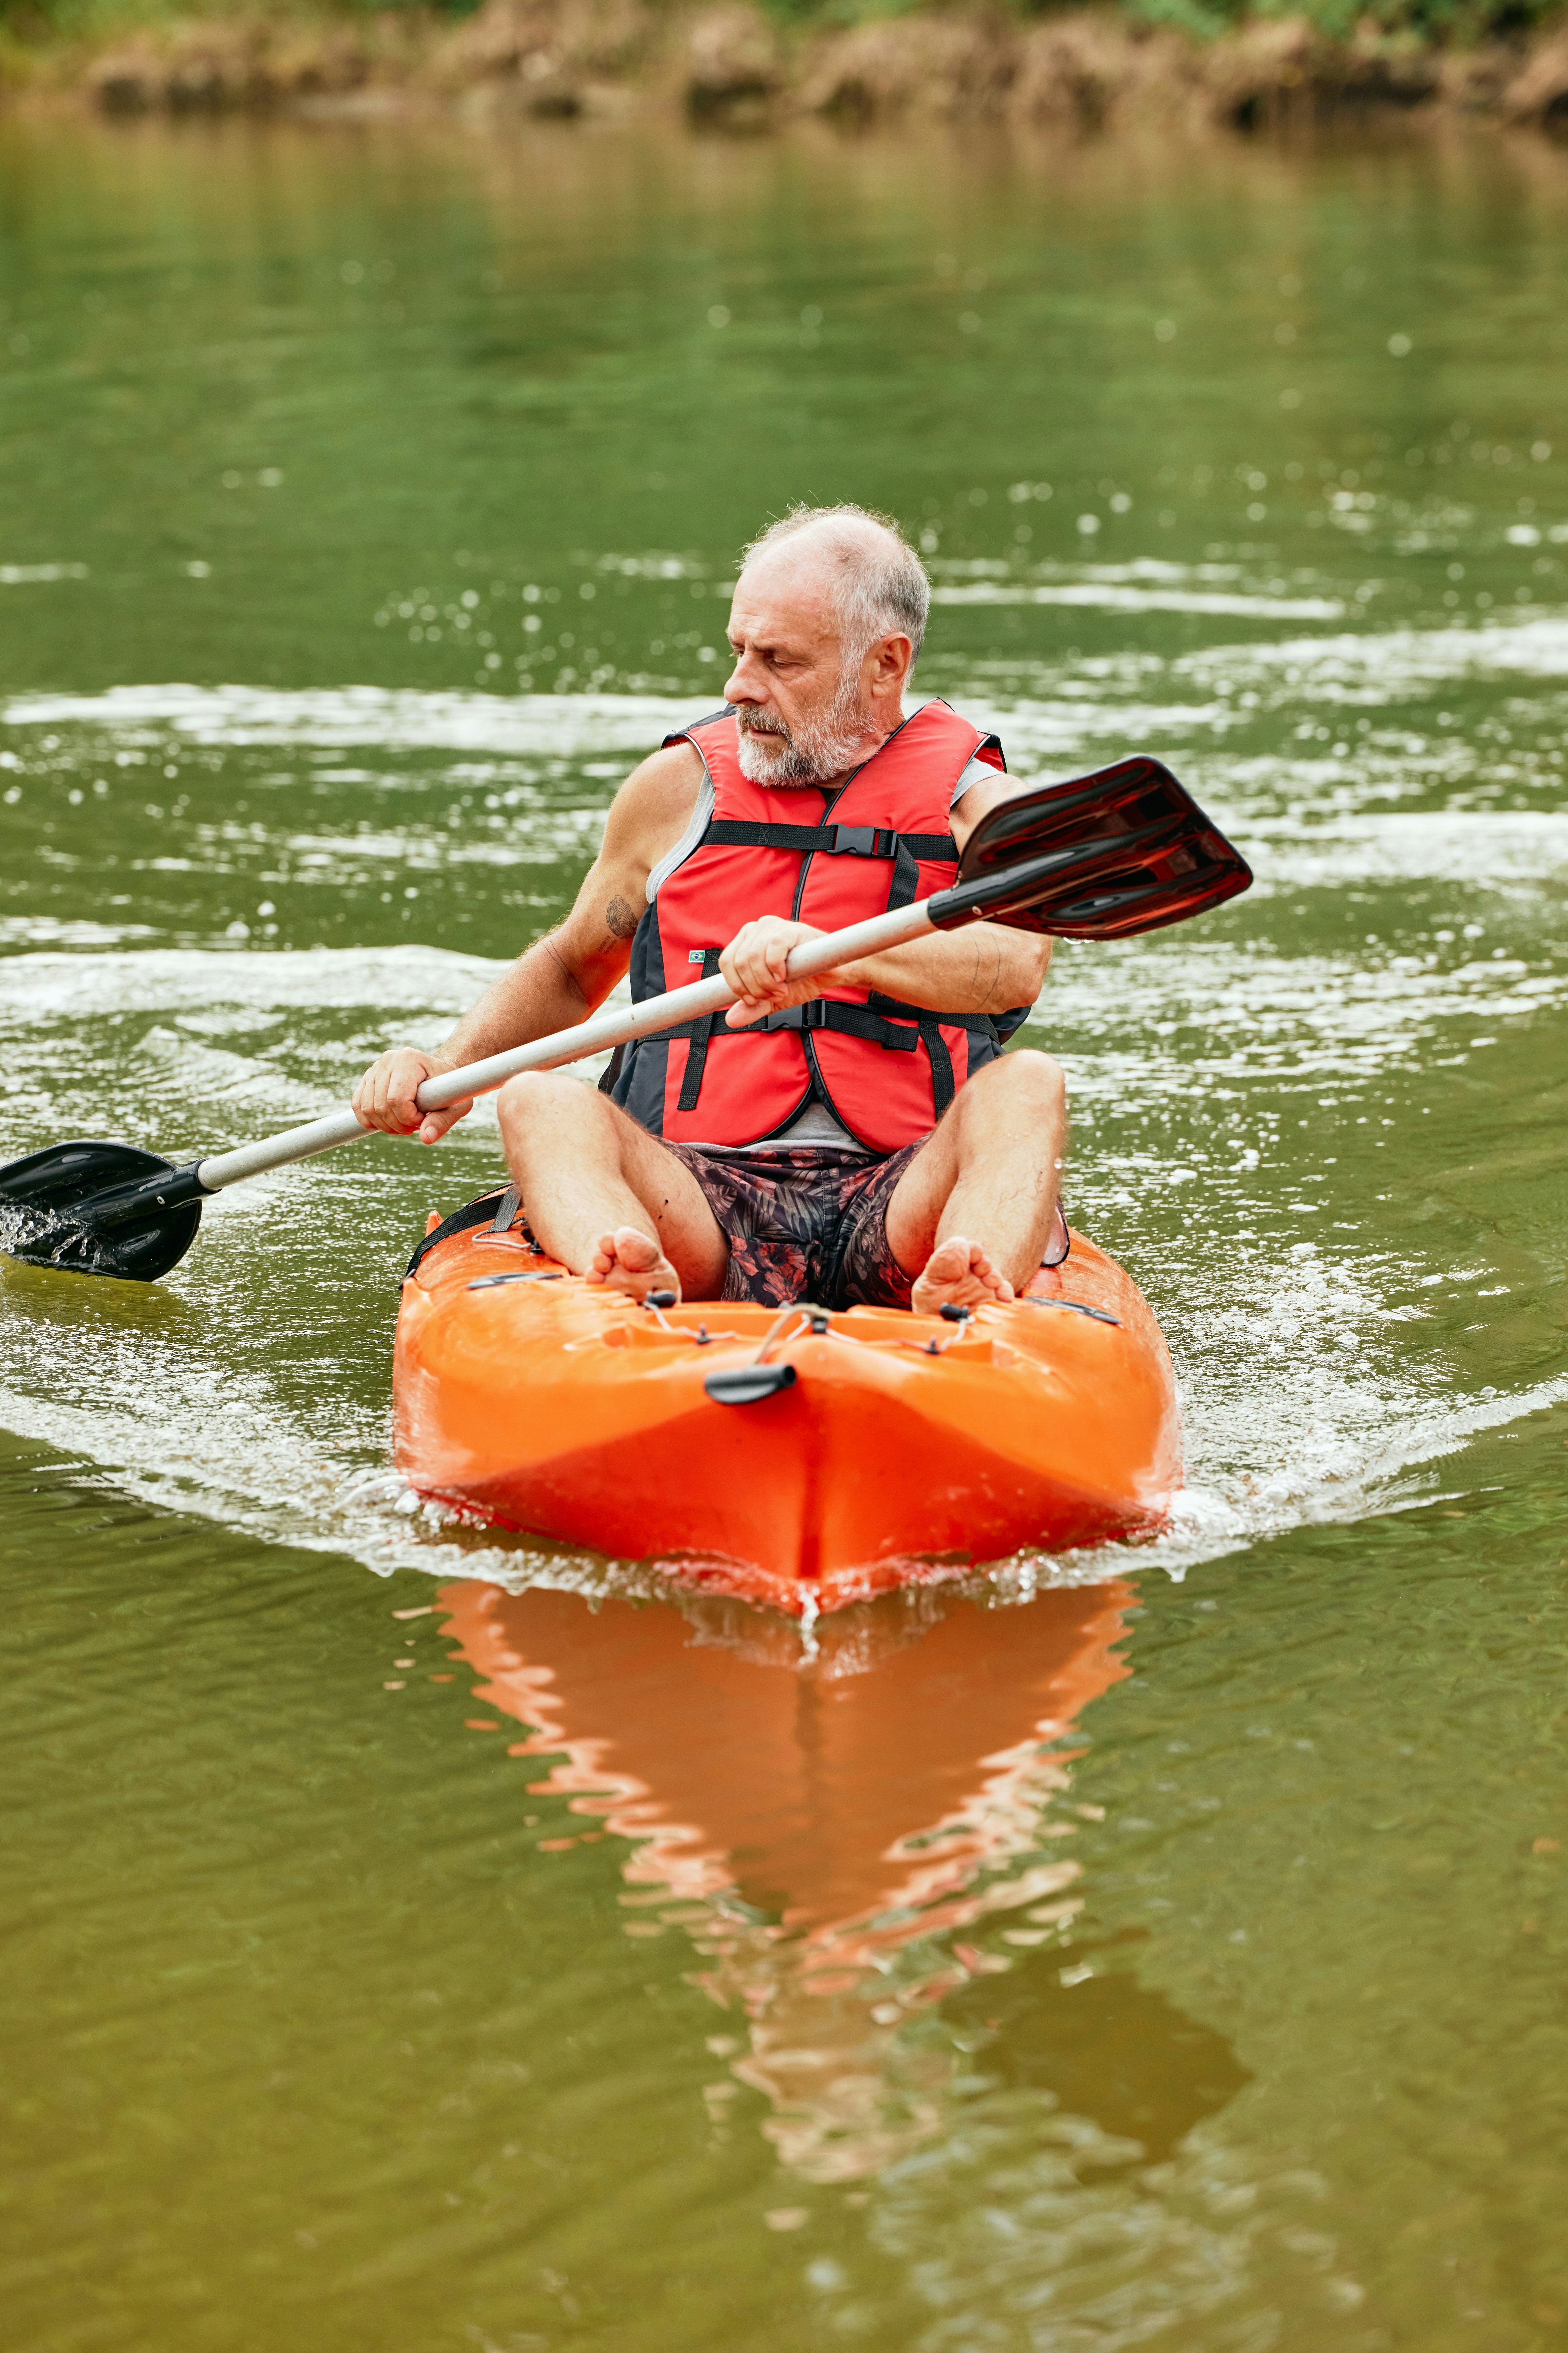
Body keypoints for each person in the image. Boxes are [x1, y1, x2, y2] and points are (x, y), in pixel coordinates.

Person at [352, 504, 1068, 1315]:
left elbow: (1017, 963)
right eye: (738, 650)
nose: (738, 686)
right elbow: (570, 965)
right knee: (537, 1099)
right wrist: (447, 1067)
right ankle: (623, 1272)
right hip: (697, 1193)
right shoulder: (675, 792)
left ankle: (972, 1296)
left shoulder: (979, 809)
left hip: (902, 1191)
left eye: (778, 659)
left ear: (885, 665)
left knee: (1029, 1084)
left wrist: (836, 955)